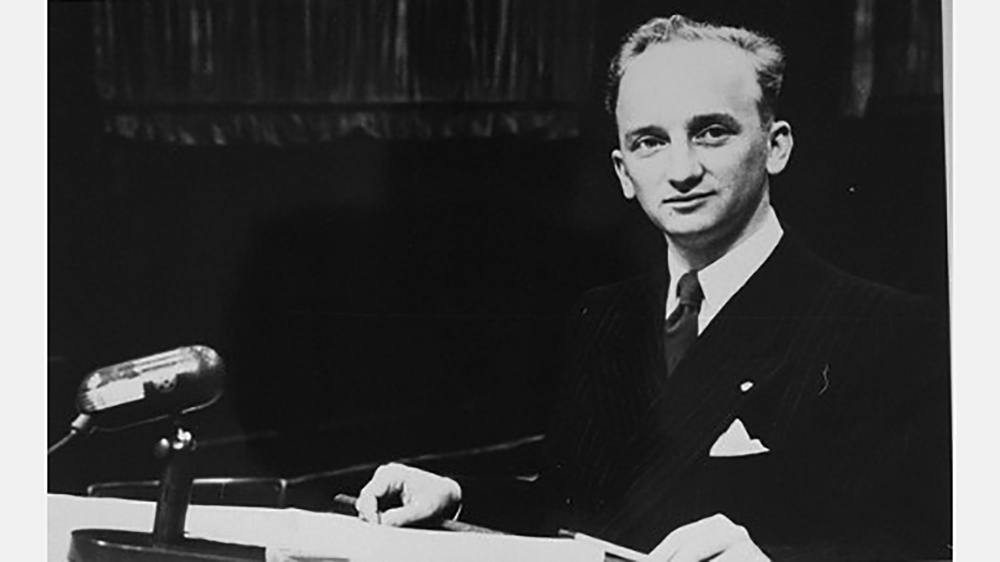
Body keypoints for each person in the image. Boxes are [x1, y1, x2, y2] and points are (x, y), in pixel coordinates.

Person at [351, 14, 951, 561]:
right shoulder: (603, 316)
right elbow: (570, 505)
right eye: (650, 141)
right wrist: (454, 496)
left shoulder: (883, 328)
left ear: (776, 146)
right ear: (623, 174)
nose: (682, 169)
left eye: (711, 132)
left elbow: (917, 544)